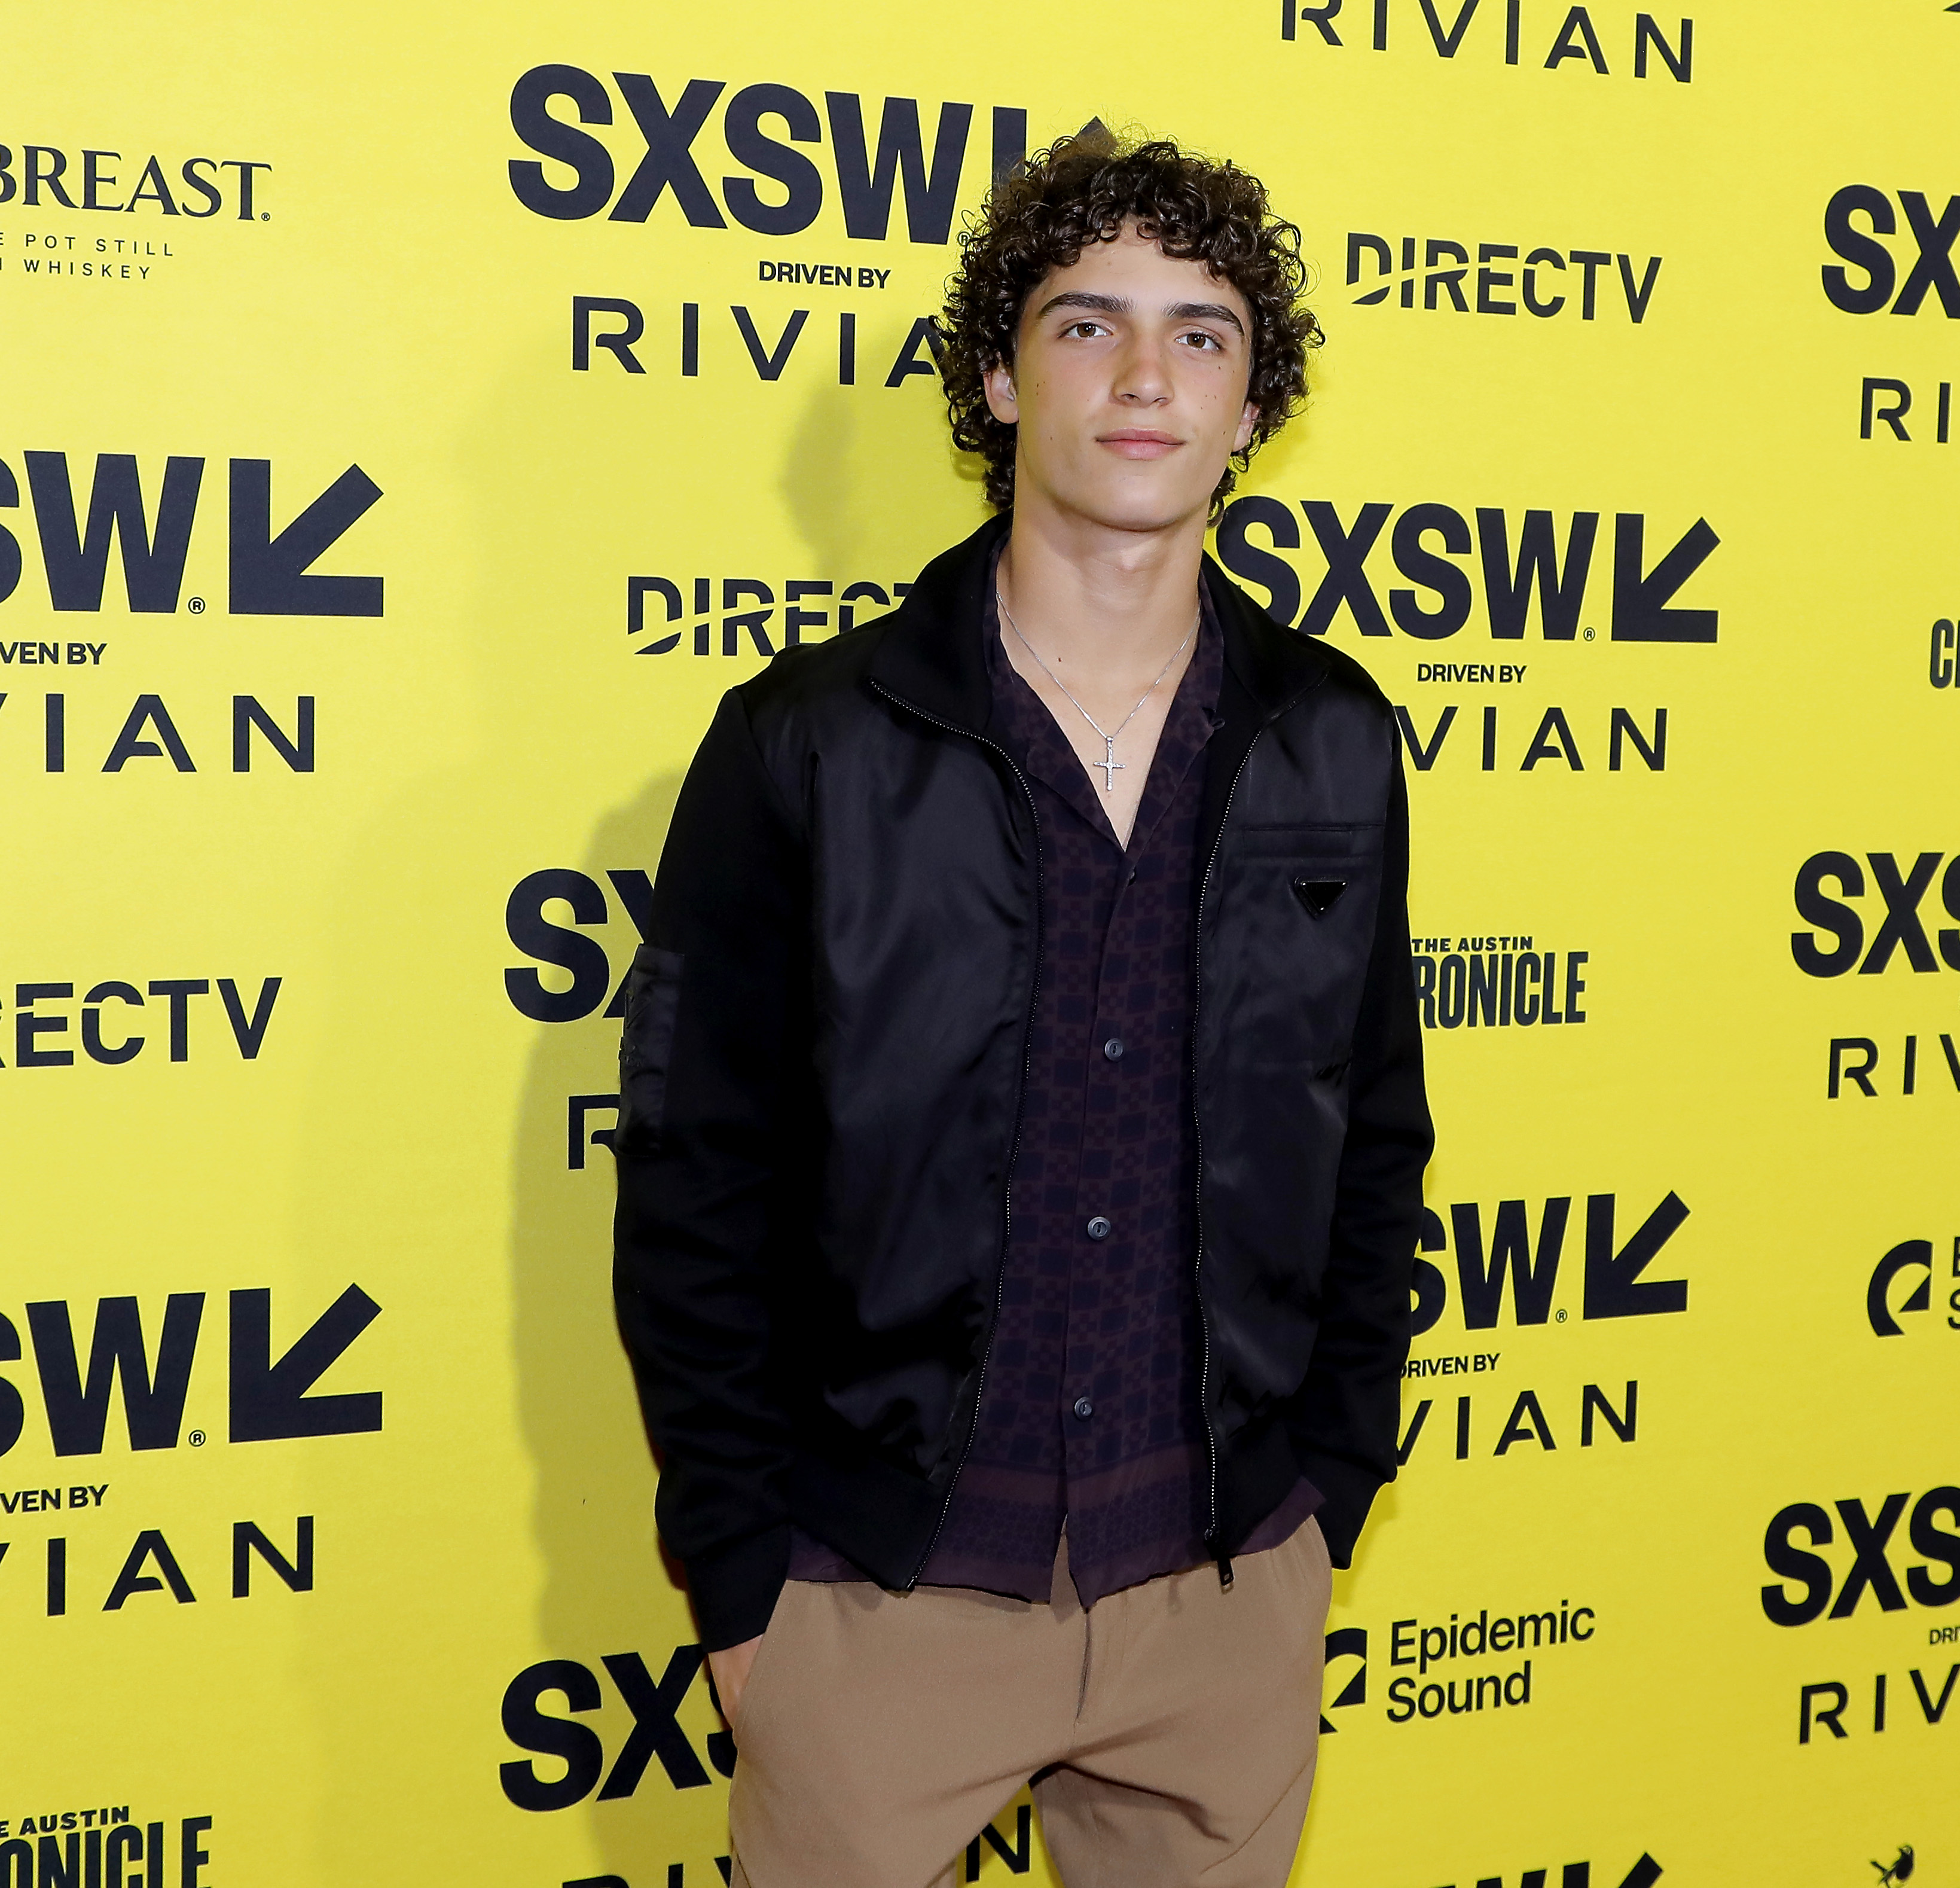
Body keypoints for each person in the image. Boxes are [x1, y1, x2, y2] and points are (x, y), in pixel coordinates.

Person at [611, 129, 1431, 1888]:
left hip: (1222, 1593)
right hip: (876, 1599)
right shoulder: (807, 742)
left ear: (1253, 399)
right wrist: (744, 1572)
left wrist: (1323, 1498)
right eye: (1088, 325)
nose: (1146, 376)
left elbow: (1371, 1130)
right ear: (996, 375)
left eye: (1201, 333)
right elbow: (692, 1177)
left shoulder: (1333, 734)